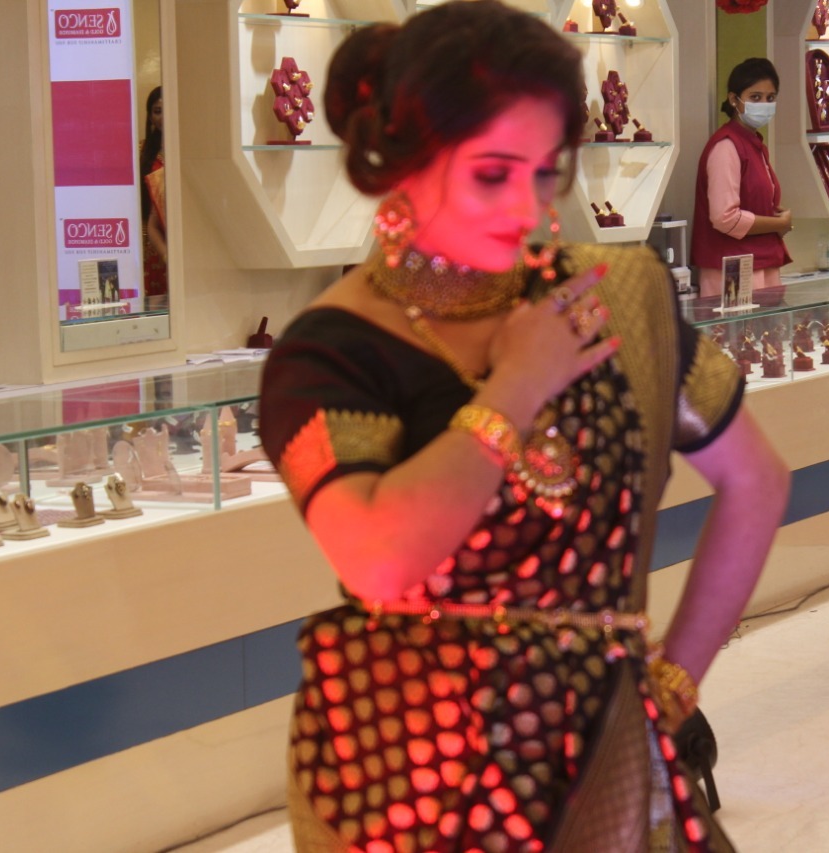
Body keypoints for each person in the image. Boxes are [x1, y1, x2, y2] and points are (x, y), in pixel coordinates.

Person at [259, 3, 790, 850]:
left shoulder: (613, 295)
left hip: (605, 766)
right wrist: (516, 387)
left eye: (547, 173)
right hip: (408, 781)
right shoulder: (332, 349)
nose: (528, 206)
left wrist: (674, 679)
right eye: (491, 174)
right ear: (407, 161)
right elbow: (379, 559)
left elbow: (757, 480)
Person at [692, 58, 793, 300]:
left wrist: (777, 220)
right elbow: (725, 218)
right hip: (733, 269)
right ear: (734, 99)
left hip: (762, 262)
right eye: (755, 97)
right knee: (739, 326)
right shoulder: (726, 146)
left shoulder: (754, 145)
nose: (764, 105)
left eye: (770, 98)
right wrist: (778, 224)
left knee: (769, 325)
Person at [139, 86, 167, 310]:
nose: (163, 117)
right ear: (150, 116)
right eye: (157, 111)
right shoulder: (141, 152)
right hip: (151, 241)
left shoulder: (189, 150)